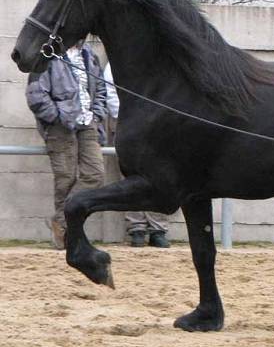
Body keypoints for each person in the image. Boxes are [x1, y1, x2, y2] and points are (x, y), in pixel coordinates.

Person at [26, 40, 107, 249]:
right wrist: (56, 117)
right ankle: (66, 236)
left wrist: (96, 115)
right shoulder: (46, 54)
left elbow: (100, 89)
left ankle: (60, 222)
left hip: (88, 124)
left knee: (95, 175)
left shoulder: (89, 54)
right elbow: (35, 95)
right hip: (60, 126)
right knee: (66, 179)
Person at [104, 63, 171, 248]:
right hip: (125, 120)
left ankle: (158, 228)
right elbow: (110, 92)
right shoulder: (115, 64)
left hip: (154, 122)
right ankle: (136, 228)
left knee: (159, 174)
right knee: (130, 175)